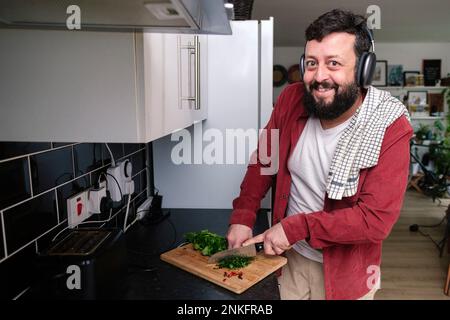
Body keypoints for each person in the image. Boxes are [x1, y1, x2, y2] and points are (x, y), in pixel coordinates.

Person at [226, 9, 413, 300]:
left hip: (348, 273)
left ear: (364, 70)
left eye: (334, 64)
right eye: (312, 63)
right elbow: (265, 159)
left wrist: (295, 227)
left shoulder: (391, 126)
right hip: (287, 260)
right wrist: (243, 215)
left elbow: (375, 220)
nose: (319, 77)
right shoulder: (291, 98)